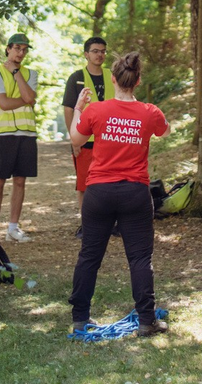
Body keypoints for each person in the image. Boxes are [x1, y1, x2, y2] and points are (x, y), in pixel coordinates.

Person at [68, 52, 171, 337]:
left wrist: (78, 108)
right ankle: (147, 321)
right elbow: (165, 131)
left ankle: (79, 319)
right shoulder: (150, 112)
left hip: (98, 192)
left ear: (113, 79)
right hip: (135, 192)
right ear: (138, 81)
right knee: (139, 258)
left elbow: (75, 139)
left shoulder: (96, 110)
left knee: (90, 255)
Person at [0, 33, 38, 242]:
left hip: (26, 134)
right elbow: (4, 104)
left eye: (25, 49)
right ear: (8, 49)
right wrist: (24, 100)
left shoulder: (30, 73)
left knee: (20, 181)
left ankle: (13, 229)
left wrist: (16, 73)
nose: (21, 52)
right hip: (3, 134)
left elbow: (30, 98)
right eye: (17, 48)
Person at [62, 36, 114, 238]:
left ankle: (110, 224)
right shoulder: (76, 77)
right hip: (85, 140)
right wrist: (73, 138)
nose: (99, 55)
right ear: (86, 54)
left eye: (102, 51)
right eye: (95, 51)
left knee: (111, 183)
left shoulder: (112, 76)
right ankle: (87, 225)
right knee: (85, 185)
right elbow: (68, 109)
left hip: (110, 140)